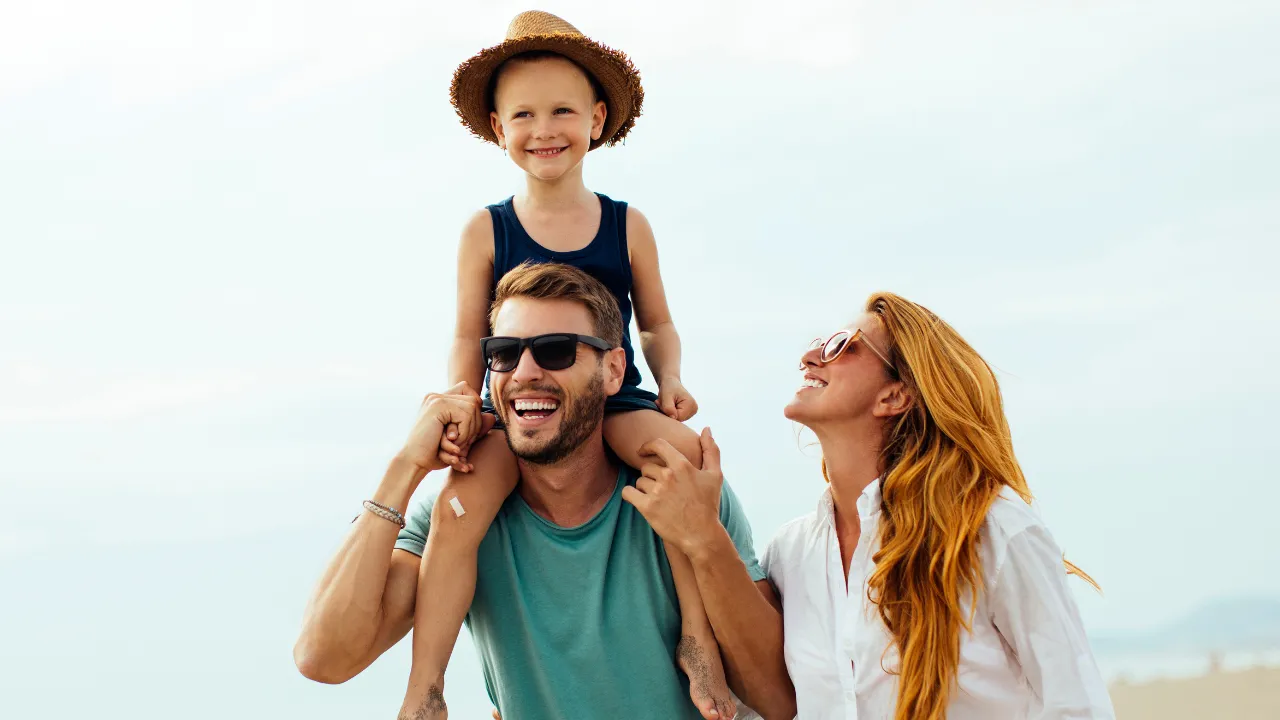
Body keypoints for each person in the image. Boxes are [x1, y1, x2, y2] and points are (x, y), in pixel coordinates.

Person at [403, 9, 734, 719]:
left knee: (677, 459)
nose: (543, 129)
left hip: (609, 399)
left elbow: (657, 322)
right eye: (523, 114)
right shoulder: (485, 229)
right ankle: (425, 686)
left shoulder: (626, 224)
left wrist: (671, 380)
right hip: (516, 407)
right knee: (457, 508)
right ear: (498, 128)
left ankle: (697, 638)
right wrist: (462, 399)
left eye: (562, 111)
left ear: (597, 118)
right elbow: (467, 334)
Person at [292, 262, 797, 720]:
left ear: (613, 370)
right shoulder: (458, 514)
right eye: (504, 354)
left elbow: (777, 700)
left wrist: (704, 539)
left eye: (556, 350)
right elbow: (322, 657)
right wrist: (405, 467)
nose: (525, 373)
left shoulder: (681, 492)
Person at [758, 291, 1115, 719]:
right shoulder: (790, 553)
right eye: (821, 343)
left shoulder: (992, 530)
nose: (810, 356)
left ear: (894, 396)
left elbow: (1076, 706)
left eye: (842, 345)